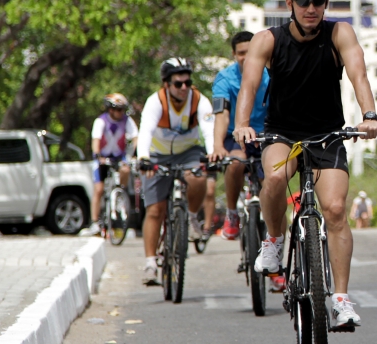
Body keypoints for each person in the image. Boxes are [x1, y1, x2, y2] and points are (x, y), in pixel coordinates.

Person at [234, 0, 377, 330]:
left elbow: (358, 74)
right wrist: (241, 124)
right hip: (282, 133)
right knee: (275, 179)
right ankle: (274, 239)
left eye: (318, 1)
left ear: (326, 2)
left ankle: (341, 299)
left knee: (333, 209)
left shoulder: (339, 33)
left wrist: (369, 114)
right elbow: (249, 86)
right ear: (290, 4)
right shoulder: (267, 39)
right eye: (304, 2)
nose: (312, 8)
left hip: (328, 133)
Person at [137, 58, 215, 286]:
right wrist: (143, 158)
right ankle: (151, 262)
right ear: (166, 84)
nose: (184, 88)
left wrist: (212, 154)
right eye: (178, 84)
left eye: (187, 83)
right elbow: (145, 132)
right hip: (157, 154)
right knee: (155, 210)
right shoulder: (155, 102)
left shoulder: (199, 100)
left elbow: (208, 129)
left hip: (188, 151)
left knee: (198, 176)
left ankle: (190, 217)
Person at [210, 31, 270, 240]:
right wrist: (218, 145)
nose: (246, 57)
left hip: (265, 136)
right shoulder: (225, 78)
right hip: (234, 136)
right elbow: (222, 115)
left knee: (272, 181)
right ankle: (232, 213)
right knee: (236, 163)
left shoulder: (272, 75)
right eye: (241, 53)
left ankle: (273, 236)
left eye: (250, 51)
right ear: (234, 54)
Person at [86, 94, 139, 236]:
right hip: (102, 158)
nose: (121, 113)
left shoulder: (127, 121)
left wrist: (135, 151)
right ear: (110, 109)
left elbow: (135, 136)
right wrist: (98, 155)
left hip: (119, 157)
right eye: (118, 109)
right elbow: (95, 140)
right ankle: (95, 221)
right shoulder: (101, 121)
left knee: (125, 169)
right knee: (98, 189)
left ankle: (120, 194)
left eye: (123, 110)